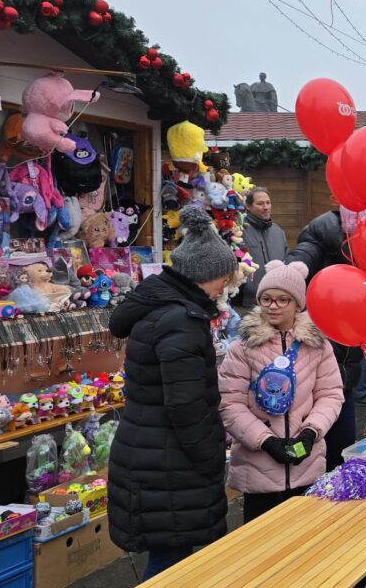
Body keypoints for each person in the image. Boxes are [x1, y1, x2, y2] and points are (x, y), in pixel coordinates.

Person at [107, 206, 237, 580]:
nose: (224, 287)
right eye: (222, 279)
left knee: (172, 557)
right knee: (172, 563)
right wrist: (210, 455)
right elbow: (186, 405)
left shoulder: (164, 308)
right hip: (167, 461)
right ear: (202, 275)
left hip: (150, 450)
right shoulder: (180, 320)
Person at [219, 260, 344, 522]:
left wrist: (311, 431)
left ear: (298, 303)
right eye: (266, 299)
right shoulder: (243, 347)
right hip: (258, 468)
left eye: (282, 300)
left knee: (302, 542)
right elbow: (230, 403)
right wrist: (265, 440)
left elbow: (330, 394)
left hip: (306, 466)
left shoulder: (317, 345)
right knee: (260, 545)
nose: (273, 306)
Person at [286, 207, 366, 471]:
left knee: (342, 444)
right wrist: (294, 270)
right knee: (313, 438)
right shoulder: (323, 230)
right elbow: (304, 253)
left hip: (348, 362)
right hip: (316, 354)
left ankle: (337, 489)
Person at [239, 187, 288, 309]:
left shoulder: (278, 232)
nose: (266, 207)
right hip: (246, 304)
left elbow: (286, 263)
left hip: (276, 304)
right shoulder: (239, 231)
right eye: (260, 204)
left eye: (268, 203)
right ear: (248, 207)